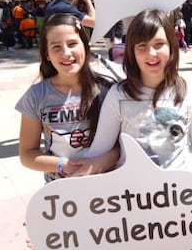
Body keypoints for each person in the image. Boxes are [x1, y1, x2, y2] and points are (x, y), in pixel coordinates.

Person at [78, 9, 192, 248]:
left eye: (159, 44)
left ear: (172, 46)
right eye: (142, 46)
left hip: (182, 214)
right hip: (134, 217)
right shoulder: (118, 95)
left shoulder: (187, 93)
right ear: (131, 51)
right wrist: (64, 212)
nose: (151, 53)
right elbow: (98, 153)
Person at [15, 13, 119, 184]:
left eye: (72, 44)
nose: (66, 53)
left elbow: (123, 143)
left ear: (85, 46)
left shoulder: (108, 90)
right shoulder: (35, 96)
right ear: (47, 54)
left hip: (106, 191)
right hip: (60, 195)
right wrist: (63, 164)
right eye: (56, 47)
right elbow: (27, 154)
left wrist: (98, 165)